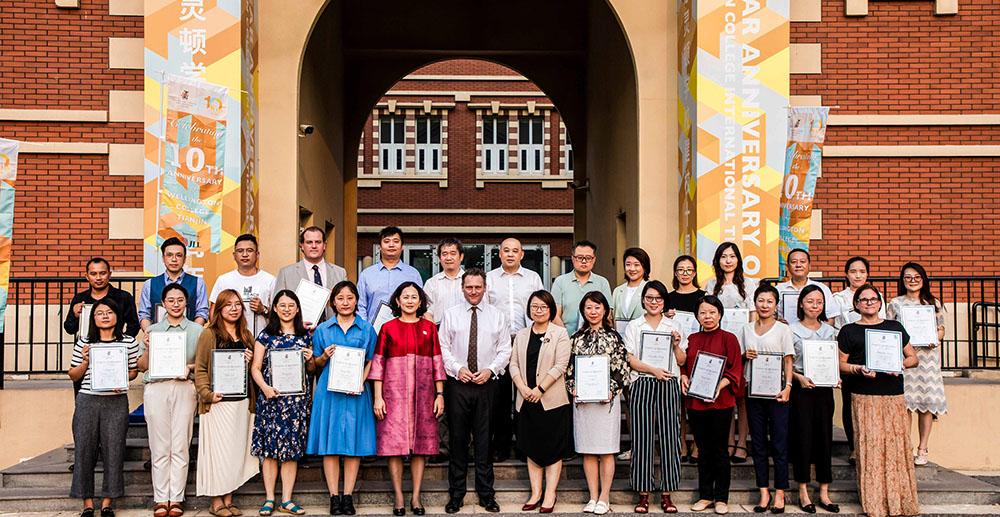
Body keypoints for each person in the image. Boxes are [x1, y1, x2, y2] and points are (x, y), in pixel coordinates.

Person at [838, 284, 919, 517]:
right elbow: (840, 364)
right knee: (870, 448)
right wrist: (858, 368)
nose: (869, 303)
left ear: (880, 302)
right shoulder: (848, 330)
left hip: (893, 395)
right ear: (856, 305)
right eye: (863, 300)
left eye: (873, 299)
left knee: (895, 448)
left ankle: (899, 500)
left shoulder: (894, 327)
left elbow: (913, 357)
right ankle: (874, 502)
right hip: (864, 396)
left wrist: (898, 364)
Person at [369, 282, 446, 516]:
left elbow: (437, 361)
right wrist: (378, 397)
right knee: (393, 447)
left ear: (421, 302)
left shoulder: (429, 327)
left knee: (421, 448)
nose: (410, 300)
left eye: (414, 297)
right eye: (406, 297)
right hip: (394, 396)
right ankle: (399, 497)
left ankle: (416, 497)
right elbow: (379, 362)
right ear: (398, 301)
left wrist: (440, 394)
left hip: (424, 395)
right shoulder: (388, 328)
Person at [439, 268, 510, 513]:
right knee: (458, 440)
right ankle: (456, 494)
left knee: (484, 441)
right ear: (462, 288)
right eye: (469, 287)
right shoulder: (450, 315)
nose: (473, 291)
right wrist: (458, 368)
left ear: (485, 287)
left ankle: (486, 494)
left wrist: (491, 370)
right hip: (458, 385)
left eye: (478, 287)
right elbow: (443, 348)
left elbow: (505, 349)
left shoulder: (498, 316)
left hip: (486, 384)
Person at [307, 281, 378, 516]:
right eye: (340, 298)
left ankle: (347, 496)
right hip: (329, 393)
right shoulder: (323, 330)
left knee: (353, 445)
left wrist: (361, 382)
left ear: (356, 300)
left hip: (356, 392)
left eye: (349, 298)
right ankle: (333, 497)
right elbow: (314, 365)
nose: (345, 302)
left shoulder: (366, 329)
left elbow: (371, 361)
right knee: (331, 446)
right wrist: (323, 357)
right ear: (332, 302)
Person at [67, 299, 140, 517]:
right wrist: (87, 362)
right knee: (84, 450)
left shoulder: (128, 342)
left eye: (110, 312)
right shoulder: (84, 343)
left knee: (114, 450)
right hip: (88, 399)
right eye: (100, 313)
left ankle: (107, 502)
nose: (105, 316)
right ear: (93, 318)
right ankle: (87, 503)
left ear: (117, 316)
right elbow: (73, 375)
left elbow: (134, 372)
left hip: (116, 402)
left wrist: (120, 376)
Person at [136, 284, 203, 517]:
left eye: (180, 300)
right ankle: (160, 497)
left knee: (181, 444)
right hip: (156, 388)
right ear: (163, 304)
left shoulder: (197, 331)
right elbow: (141, 366)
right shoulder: (152, 331)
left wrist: (189, 367)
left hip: (184, 387)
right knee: (159, 444)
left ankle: (176, 498)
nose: (176, 304)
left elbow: (204, 365)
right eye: (171, 300)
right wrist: (147, 348)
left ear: (187, 303)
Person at [193, 289, 259, 517]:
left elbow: (255, 373)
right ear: (219, 309)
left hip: (241, 404)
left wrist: (251, 362)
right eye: (228, 304)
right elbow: (200, 368)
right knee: (217, 453)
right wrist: (207, 394)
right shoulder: (209, 334)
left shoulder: (247, 335)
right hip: (217, 404)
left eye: (238, 304)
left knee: (234, 453)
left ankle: (229, 499)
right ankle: (216, 501)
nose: (234, 308)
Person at [564, 291, 631, 516]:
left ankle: (605, 496)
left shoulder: (615, 338)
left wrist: (611, 390)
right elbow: (569, 369)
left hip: (606, 402)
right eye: (589, 308)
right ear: (583, 311)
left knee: (606, 450)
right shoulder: (576, 338)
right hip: (583, 403)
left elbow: (623, 368)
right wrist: (572, 386)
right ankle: (593, 496)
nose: (593, 312)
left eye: (597, 307)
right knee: (588, 451)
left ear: (605, 310)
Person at [623, 280, 686, 514]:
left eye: (658, 299)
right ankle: (643, 493)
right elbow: (630, 359)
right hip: (643, 382)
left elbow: (681, 360)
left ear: (664, 302)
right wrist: (653, 370)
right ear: (643, 300)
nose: (653, 302)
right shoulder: (634, 326)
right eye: (649, 298)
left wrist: (677, 345)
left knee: (670, 437)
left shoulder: (674, 324)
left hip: (669, 383)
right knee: (642, 438)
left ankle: (667, 494)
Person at [250, 291, 315, 516]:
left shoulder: (306, 335)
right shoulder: (265, 335)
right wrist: (265, 388)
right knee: (270, 451)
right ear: (275, 309)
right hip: (271, 399)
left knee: (291, 452)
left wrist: (310, 361)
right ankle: (269, 498)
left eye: (291, 305)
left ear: (297, 309)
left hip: (296, 402)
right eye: (282, 305)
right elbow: (255, 368)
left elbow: (311, 370)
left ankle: (286, 499)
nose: (287, 309)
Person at [508, 290, 572, 514]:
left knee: (553, 449)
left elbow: (560, 365)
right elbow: (513, 364)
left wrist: (540, 388)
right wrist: (524, 389)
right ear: (529, 309)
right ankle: (535, 492)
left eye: (544, 307)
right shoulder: (522, 334)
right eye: (535, 306)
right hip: (526, 400)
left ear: (551, 309)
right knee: (531, 447)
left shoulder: (560, 334)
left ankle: (550, 494)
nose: (539, 310)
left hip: (551, 401)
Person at [680, 295, 743, 516]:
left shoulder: (729, 338)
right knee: (703, 449)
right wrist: (684, 377)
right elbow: (686, 365)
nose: (707, 316)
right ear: (697, 316)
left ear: (719, 314)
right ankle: (705, 495)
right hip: (696, 403)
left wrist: (720, 385)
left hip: (721, 402)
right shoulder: (693, 338)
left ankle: (721, 497)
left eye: (712, 312)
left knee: (719, 450)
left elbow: (735, 370)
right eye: (703, 313)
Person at [485, 237, 543, 463]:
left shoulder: (532, 278)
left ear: (522, 255)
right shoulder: (489, 278)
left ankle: (523, 444)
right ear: (499, 254)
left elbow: (541, 306)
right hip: (497, 343)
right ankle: (500, 446)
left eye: (515, 251)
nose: (510, 254)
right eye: (506, 250)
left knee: (525, 393)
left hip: (525, 340)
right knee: (499, 397)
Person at [739, 284, 795, 513]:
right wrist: (745, 355)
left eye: (769, 301)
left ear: (776, 305)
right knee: (759, 444)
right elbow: (739, 358)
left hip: (777, 393)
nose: (764, 305)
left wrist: (789, 386)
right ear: (755, 303)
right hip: (754, 392)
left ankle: (780, 491)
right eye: (761, 301)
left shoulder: (783, 330)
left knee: (779, 444)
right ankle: (763, 491)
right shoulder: (746, 328)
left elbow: (788, 360)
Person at [887, 262, 947, 466]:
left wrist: (935, 338)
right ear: (902, 280)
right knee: (906, 405)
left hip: (928, 358)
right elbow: (890, 328)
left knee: (925, 404)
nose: (912, 281)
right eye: (908, 277)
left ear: (923, 280)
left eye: (916, 277)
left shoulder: (933, 303)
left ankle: (923, 448)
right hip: (906, 358)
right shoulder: (895, 303)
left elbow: (941, 328)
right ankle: (906, 447)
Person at [704, 243, 757, 465]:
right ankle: (727, 441)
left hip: (743, 345)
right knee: (725, 397)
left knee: (742, 396)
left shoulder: (750, 284)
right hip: (720, 344)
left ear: (738, 260)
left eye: (732, 256)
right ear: (717, 260)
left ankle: (742, 443)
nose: (728, 260)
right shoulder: (711, 284)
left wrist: (750, 345)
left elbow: (754, 316)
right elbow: (707, 312)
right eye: (724, 256)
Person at [789, 284, 840, 514]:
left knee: (824, 438)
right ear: (801, 304)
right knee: (803, 438)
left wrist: (836, 377)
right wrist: (798, 378)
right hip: (802, 390)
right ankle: (803, 490)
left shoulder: (829, 331)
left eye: (819, 302)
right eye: (810, 301)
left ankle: (824, 491)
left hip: (824, 391)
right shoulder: (791, 330)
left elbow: (833, 361)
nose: (815, 306)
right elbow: (786, 365)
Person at [830, 256, 883, 463]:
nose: (857, 275)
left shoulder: (876, 296)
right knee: (849, 404)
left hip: (875, 358)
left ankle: (873, 446)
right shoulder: (838, 298)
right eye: (853, 271)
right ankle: (854, 447)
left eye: (862, 271)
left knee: (874, 405)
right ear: (846, 274)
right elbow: (834, 326)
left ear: (867, 274)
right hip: (849, 356)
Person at [666, 254, 706, 463]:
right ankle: (681, 443)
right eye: (681, 270)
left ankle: (698, 444)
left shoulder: (703, 296)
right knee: (679, 405)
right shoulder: (669, 298)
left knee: (697, 403)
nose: (685, 273)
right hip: (676, 353)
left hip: (700, 353)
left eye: (689, 270)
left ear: (695, 273)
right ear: (675, 273)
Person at [273, 226, 348, 326]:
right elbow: (277, 307)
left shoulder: (340, 273)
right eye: (309, 242)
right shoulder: (286, 273)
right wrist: (296, 324)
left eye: (318, 242)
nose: (314, 246)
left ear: (324, 245)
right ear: (302, 246)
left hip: (333, 332)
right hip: (299, 333)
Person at [209, 233, 276, 338]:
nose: (245, 255)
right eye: (240, 251)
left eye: (249, 251)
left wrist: (263, 310)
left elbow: (279, 314)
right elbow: (213, 312)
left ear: (257, 254)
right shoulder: (224, 280)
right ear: (234, 255)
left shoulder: (270, 280)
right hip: (230, 342)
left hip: (262, 342)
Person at [139, 237, 209, 331]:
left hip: (188, 338)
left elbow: (202, 312)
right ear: (163, 258)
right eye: (169, 255)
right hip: (158, 339)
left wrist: (192, 334)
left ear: (184, 259)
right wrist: (151, 335)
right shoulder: (149, 284)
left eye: (179, 255)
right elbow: (144, 314)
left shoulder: (198, 283)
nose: (174, 259)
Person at [357, 226, 424, 322]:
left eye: (396, 241)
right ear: (379, 247)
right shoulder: (366, 275)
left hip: (405, 330)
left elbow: (420, 303)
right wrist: (365, 329)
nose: (391, 245)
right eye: (386, 241)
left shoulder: (413, 274)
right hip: (373, 332)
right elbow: (360, 306)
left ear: (402, 247)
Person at [64, 257, 140, 339]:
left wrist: (122, 341)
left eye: (103, 273)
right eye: (93, 274)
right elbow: (70, 329)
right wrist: (75, 315)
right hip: (86, 348)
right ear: (87, 276)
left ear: (109, 274)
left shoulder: (123, 297)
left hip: (116, 347)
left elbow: (134, 325)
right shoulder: (80, 298)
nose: (98, 278)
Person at [551, 240, 612, 333]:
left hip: (596, 339)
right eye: (580, 257)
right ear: (572, 258)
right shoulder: (560, 282)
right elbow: (555, 315)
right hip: (566, 338)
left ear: (594, 259)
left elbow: (607, 315)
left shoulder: (602, 283)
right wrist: (565, 338)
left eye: (588, 258)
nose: (584, 261)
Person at [774, 249, 840, 324]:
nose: (798, 265)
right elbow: (771, 315)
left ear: (809, 266)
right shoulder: (778, 289)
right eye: (793, 262)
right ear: (787, 267)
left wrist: (819, 333)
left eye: (802, 261)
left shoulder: (821, 288)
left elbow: (830, 317)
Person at [424, 237, 466, 324]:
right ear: (439, 258)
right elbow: (425, 310)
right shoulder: (431, 283)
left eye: (453, 253)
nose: (448, 258)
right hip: (438, 331)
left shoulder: (470, 282)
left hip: (465, 332)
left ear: (461, 257)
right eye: (444, 254)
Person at [611, 247, 650, 325]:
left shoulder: (651, 289)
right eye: (628, 264)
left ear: (645, 267)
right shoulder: (618, 291)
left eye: (636, 265)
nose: (632, 269)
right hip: (620, 335)